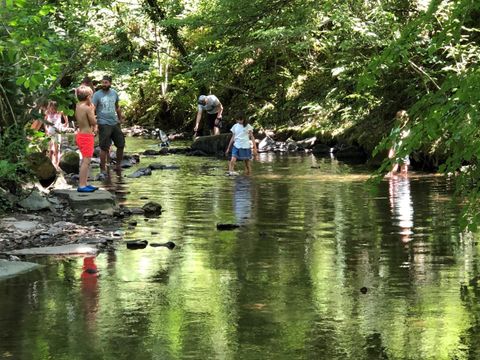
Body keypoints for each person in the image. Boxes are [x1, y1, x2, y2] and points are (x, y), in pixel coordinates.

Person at [92, 75, 125, 176]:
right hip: (103, 123)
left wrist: (120, 119)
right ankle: (103, 168)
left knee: (121, 144)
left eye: (106, 82)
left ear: (110, 83)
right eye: (103, 82)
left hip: (114, 123)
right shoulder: (97, 95)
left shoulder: (114, 93)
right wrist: (94, 125)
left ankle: (118, 165)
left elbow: (117, 107)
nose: (104, 84)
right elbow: (92, 109)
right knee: (104, 147)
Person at [75, 85, 98, 192]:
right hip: (86, 136)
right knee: (86, 161)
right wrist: (92, 109)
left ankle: (84, 183)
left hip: (80, 134)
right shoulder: (88, 108)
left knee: (85, 160)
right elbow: (93, 121)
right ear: (88, 97)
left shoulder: (78, 105)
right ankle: (82, 185)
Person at [44, 101, 68, 169]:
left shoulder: (59, 112)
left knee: (57, 149)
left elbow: (65, 113)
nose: (53, 110)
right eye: (52, 108)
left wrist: (66, 122)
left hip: (57, 132)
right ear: (49, 108)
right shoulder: (47, 113)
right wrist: (46, 128)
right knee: (50, 149)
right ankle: (50, 163)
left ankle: (57, 165)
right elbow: (45, 121)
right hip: (50, 133)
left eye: (54, 109)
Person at [387, 110, 411, 177]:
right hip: (395, 150)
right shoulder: (394, 129)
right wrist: (391, 150)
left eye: (403, 117)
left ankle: (404, 183)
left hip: (404, 150)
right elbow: (392, 141)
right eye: (399, 117)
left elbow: (408, 137)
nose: (401, 119)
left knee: (404, 168)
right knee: (394, 167)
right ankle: (393, 184)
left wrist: (403, 135)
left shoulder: (407, 128)